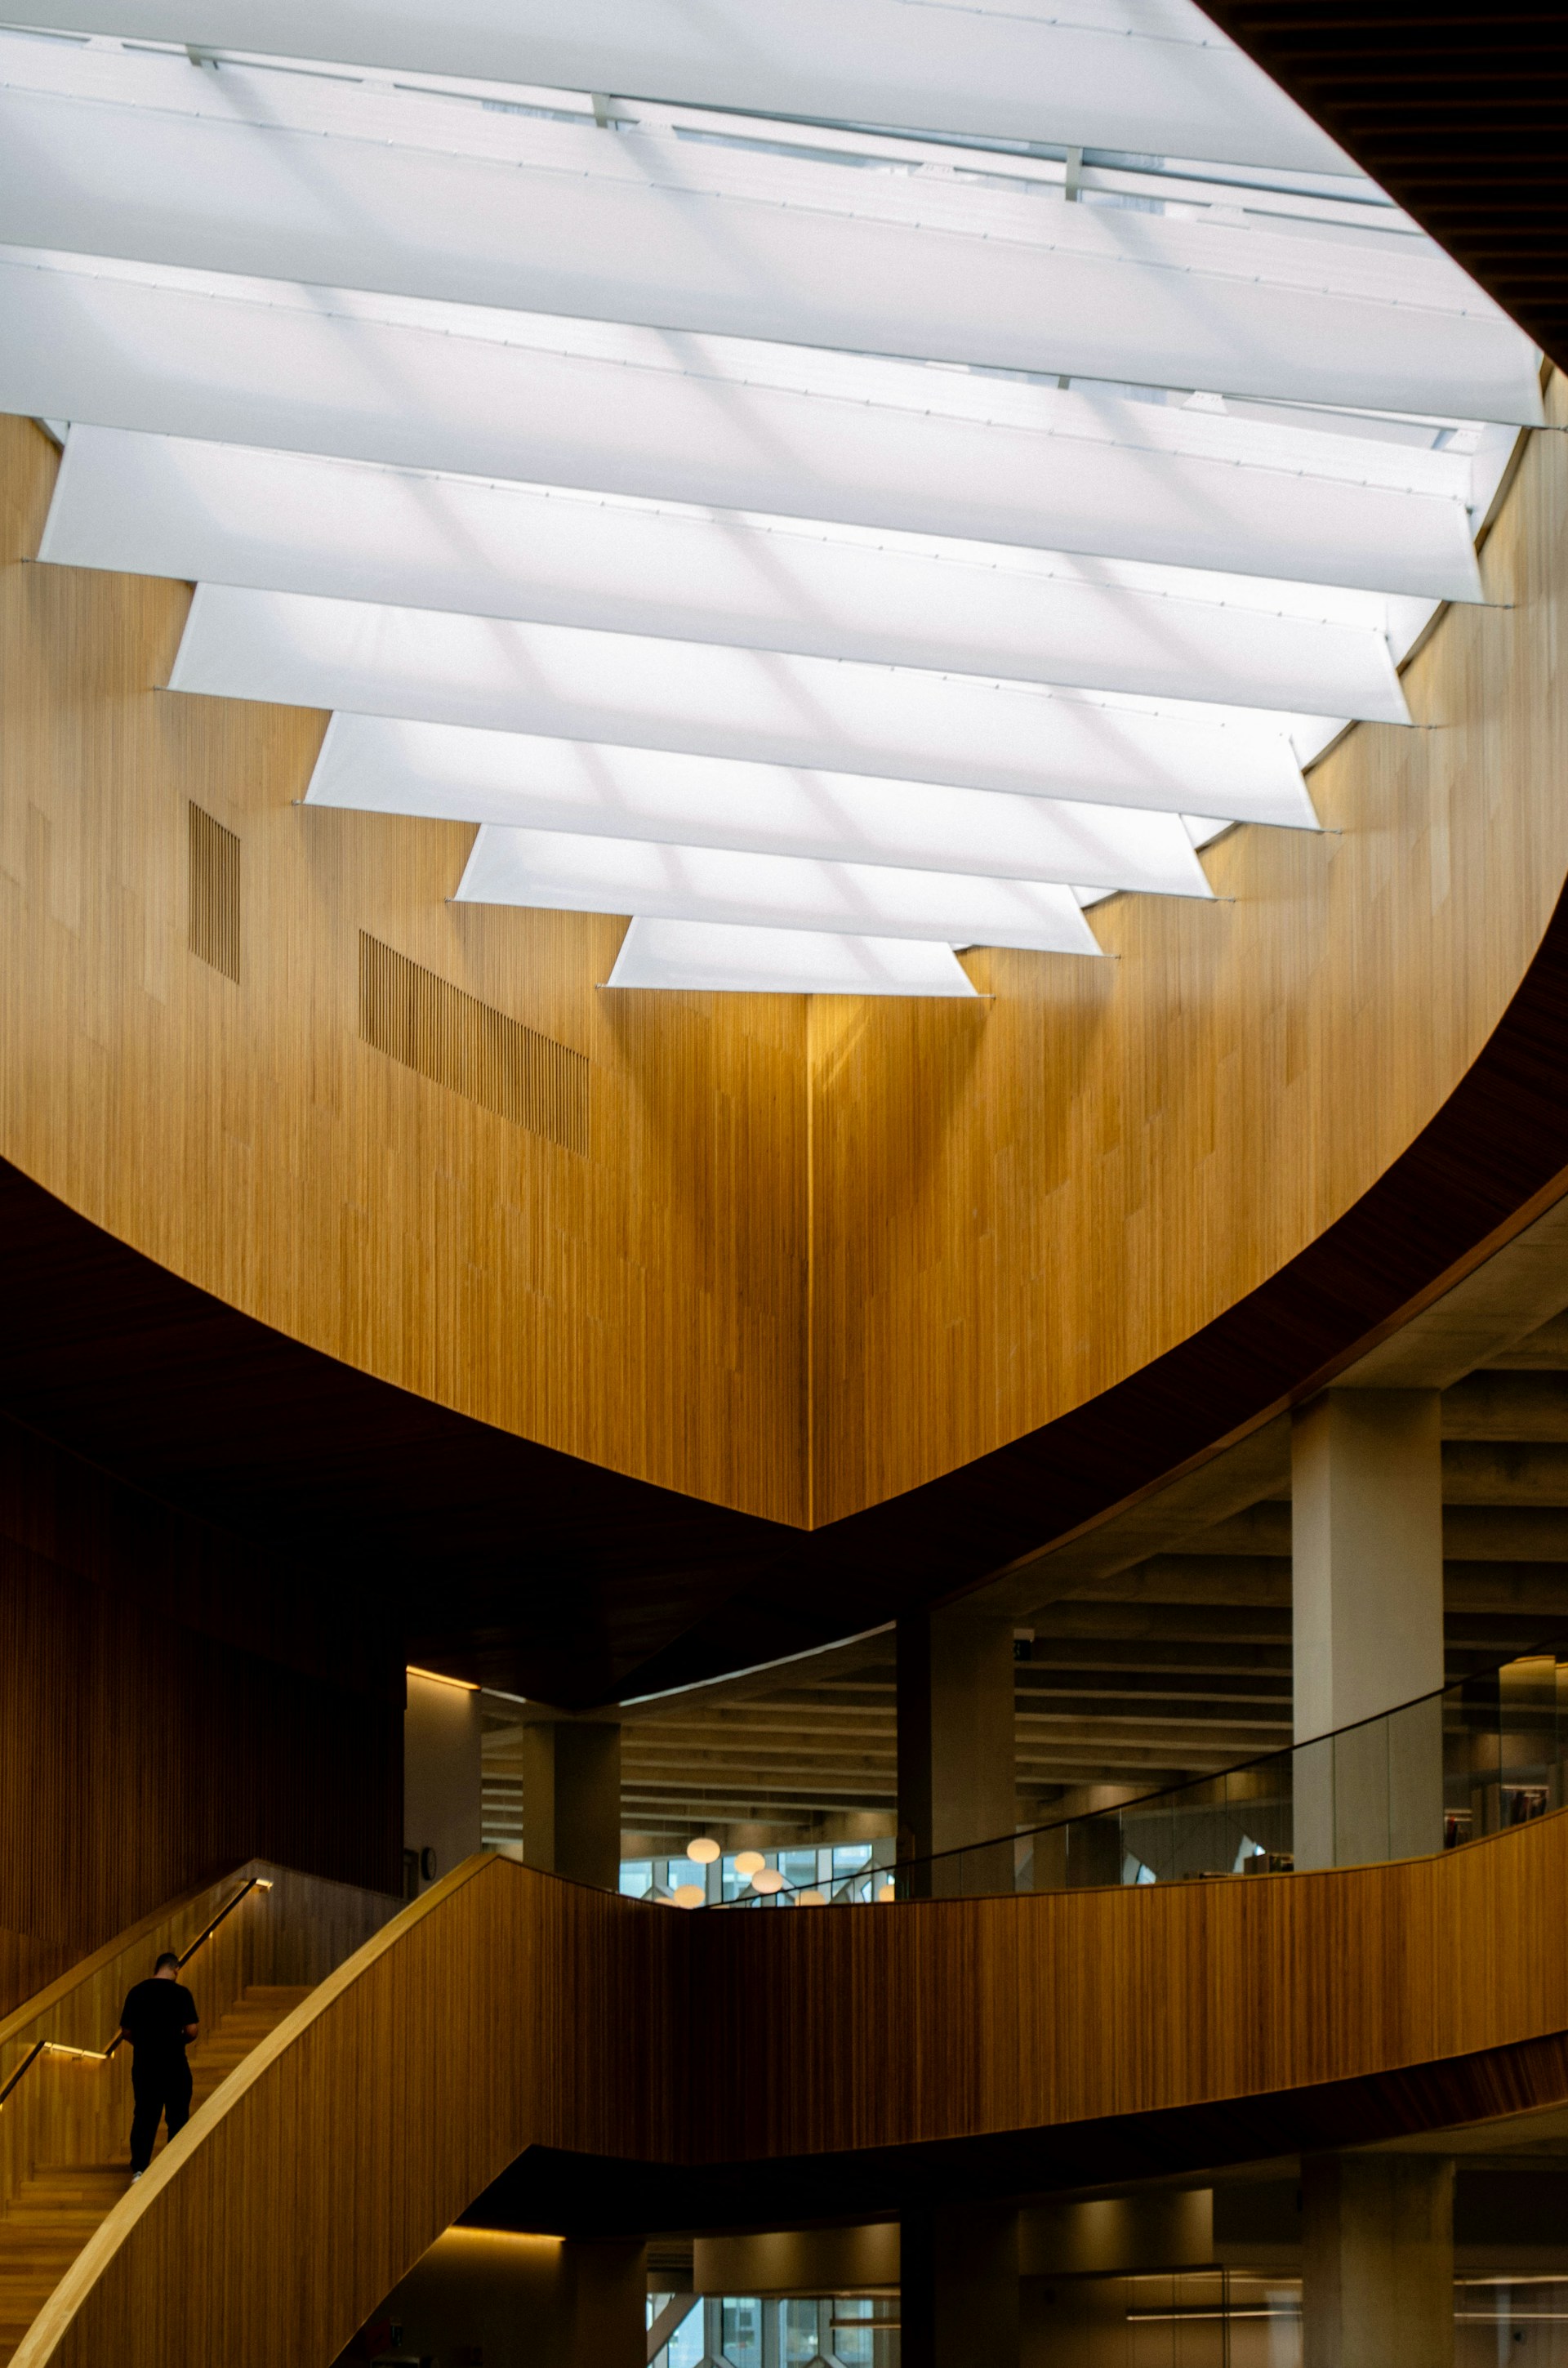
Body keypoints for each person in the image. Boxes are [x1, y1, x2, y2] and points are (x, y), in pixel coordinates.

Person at [118, 1950, 199, 2179]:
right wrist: (176, 2040)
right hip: (175, 2063)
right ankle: (174, 2168)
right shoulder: (181, 1993)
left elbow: (126, 2031)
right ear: (176, 1969)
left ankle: (140, 2169)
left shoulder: (137, 1992)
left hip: (145, 2065)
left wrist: (143, 2043)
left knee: (144, 2115)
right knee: (177, 2115)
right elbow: (192, 2030)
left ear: (157, 1967)